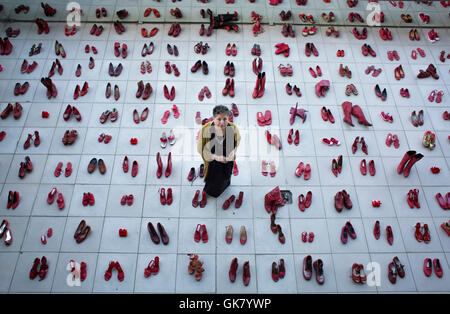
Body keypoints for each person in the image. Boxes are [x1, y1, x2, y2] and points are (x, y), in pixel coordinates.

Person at [197, 105, 241, 198]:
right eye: (219, 119)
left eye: (225, 119)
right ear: (213, 118)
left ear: (228, 118)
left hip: (228, 159)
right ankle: (212, 192)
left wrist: (233, 151)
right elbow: (201, 149)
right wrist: (217, 157)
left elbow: (237, 141)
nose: (222, 122)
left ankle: (225, 184)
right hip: (213, 162)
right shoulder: (206, 129)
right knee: (214, 180)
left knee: (226, 175)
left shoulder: (232, 127)